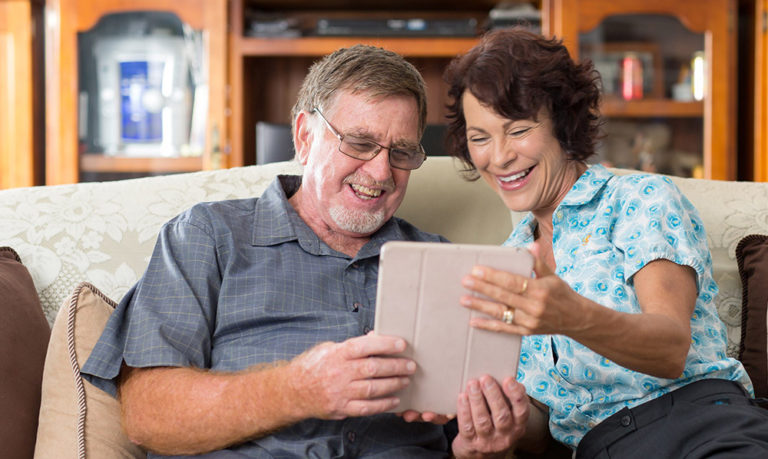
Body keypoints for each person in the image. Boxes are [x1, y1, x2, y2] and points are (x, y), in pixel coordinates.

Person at [81, 44, 527, 458]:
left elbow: (469, 428)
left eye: (402, 152)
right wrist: (299, 389)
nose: (380, 171)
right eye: (359, 142)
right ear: (304, 136)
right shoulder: (206, 236)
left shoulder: (443, 261)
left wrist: (483, 445)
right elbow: (148, 415)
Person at [442, 28, 768, 458]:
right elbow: (545, 424)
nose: (498, 156)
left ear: (563, 122)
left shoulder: (638, 200)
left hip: (700, 426)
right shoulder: (506, 262)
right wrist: (493, 433)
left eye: (518, 129)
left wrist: (570, 315)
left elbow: (671, 347)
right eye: (480, 137)